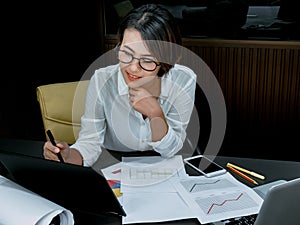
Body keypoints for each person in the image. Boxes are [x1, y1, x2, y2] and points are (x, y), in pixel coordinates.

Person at [43, 4, 197, 166]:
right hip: (112, 162)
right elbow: (90, 143)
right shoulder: (102, 80)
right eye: (126, 53)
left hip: (162, 162)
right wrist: (68, 156)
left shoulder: (183, 79)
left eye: (147, 60)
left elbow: (171, 150)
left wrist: (155, 114)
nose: (132, 68)